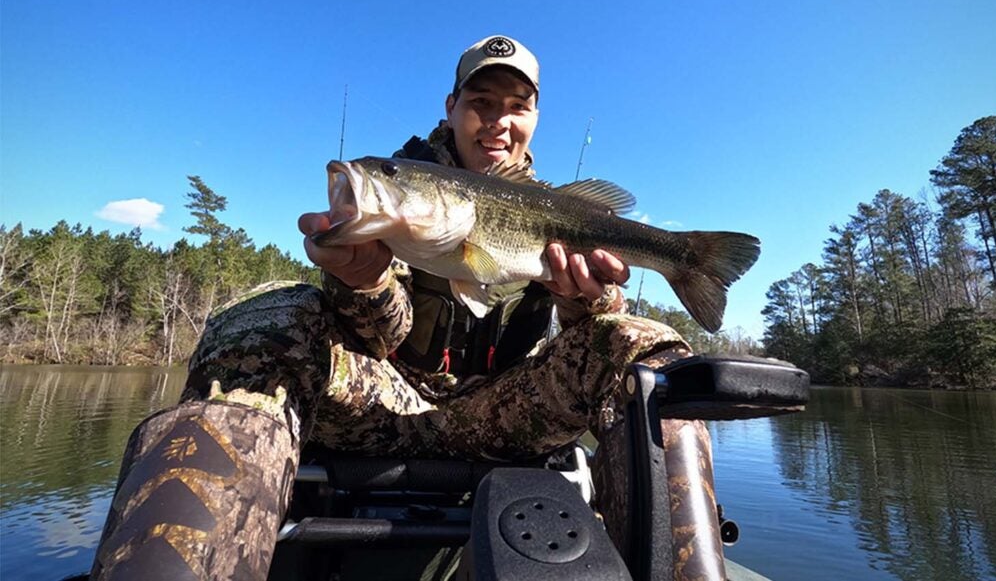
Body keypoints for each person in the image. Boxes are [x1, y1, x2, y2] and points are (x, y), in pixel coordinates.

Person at [89, 35, 693, 580]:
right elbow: (379, 339)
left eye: (518, 107)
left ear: (534, 116)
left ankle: (676, 567)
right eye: (482, 101)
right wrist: (367, 281)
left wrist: (585, 303)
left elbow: (586, 343)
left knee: (641, 347)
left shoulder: (557, 206)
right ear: (451, 106)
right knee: (266, 318)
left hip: (510, 412)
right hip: (390, 404)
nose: (499, 122)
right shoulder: (406, 191)